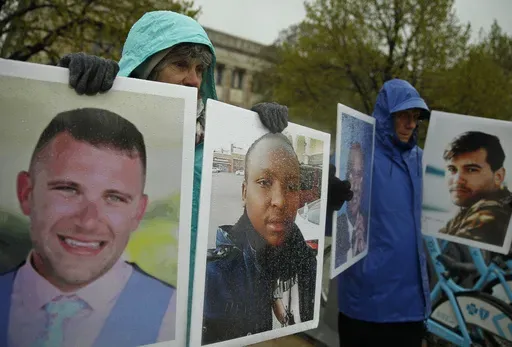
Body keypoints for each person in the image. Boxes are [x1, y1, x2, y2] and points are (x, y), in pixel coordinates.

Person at [56, 10, 354, 344]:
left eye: (200, 69)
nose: (194, 79)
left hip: (198, 323)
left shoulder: (211, 140)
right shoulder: (108, 129)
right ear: (145, 67)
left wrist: (259, 133)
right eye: (180, 65)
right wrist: (65, 88)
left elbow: (278, 213)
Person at [0, 108, 176, 347]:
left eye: (114, 197)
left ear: (138, 212)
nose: (88, 221)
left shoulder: (176, 314)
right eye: (68, 189)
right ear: (26, 193)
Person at [336, 79, 431, 347]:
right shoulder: (355, 157)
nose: (411, 124)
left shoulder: (423, 161)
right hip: (365, 306)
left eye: (415, 117)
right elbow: (324, 207)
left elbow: (454, 211)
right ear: (386, 116)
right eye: (403, 115)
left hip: (410, 307)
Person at [202, 133, 316, 344]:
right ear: (244, 192)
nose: (280, 201)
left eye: (291, 186)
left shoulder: (306, 262)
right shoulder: (215, 278)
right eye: (265, 182)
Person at [439, 131, 512, 246]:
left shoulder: (491, 214)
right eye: (452, 169)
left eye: (471, 170)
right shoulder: (471, 206)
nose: (457, 180)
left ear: (498, 176)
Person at [335, 142, 367, 267]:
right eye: (350, 172)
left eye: (359, 175)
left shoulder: (368, 225)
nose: (355, 185)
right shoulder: (338, 225)